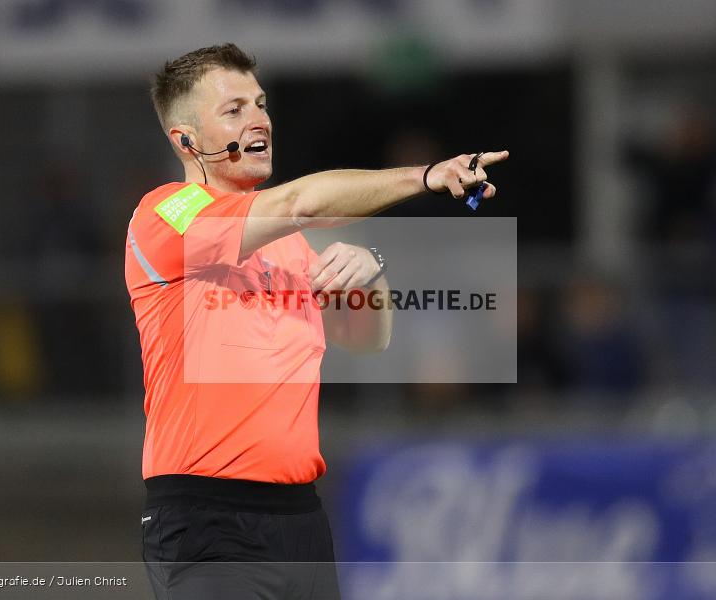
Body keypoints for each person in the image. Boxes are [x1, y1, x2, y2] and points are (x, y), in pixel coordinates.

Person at [125, 43, 508, 600]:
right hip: (207, 517)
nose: (259, 119)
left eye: (260, 103)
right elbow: (299, 202)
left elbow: (367, 339)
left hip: (298, 518)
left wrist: (372, 274)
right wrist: (426, 176)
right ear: (185, 140)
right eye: (233, 110)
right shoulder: (167, 214)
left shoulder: (291, 247)